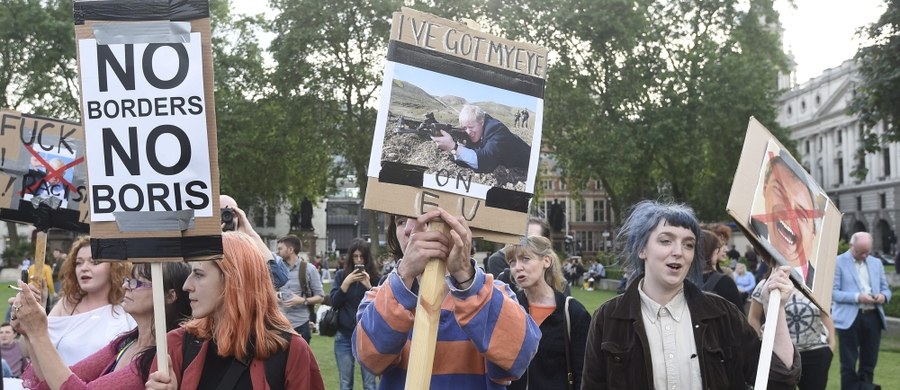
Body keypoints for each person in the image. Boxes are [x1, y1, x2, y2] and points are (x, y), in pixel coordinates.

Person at [582, 200, 800, 389]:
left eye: (688, 244)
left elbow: (779, 379)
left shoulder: (721, 314)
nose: (678, 252)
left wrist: (776, 307)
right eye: (666, 240)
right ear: (642, 249)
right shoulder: (608, 318)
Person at [354, 209, 540, 389]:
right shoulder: (379, 296)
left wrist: (466, 277)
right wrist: (404, 275)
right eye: (401, 221)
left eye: (425, 219)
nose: (410, 229)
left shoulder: (496, 293)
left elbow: (520, 357)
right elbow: (370, 359)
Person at [146, 231, 325, 390]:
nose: (186, 285)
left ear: (233, 280)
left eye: (199, 274)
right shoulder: (176, 345)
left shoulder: (291, 351)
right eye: (190, 273)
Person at [12, 262, 191, 389]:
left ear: (170, 295)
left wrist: (38, 333)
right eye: (128, 280)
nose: (126, 286)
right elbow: (56, 380)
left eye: (137, 282)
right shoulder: (125, 342)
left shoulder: (160, 358)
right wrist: (29, 332)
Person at [504, 236, 590, 390]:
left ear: (546, 261)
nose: (518, 267)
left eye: (525, 259)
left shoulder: (573, 312)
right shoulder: (508, 308)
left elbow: (584, 373)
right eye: (512, 262)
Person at [749, 258, 835, 390]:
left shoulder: (814, 284)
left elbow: (825, 314)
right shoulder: (766, 285)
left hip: (816, 352)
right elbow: (754, 318)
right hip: (779, 358)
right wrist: (759, 345)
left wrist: (831, 344)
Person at [48, 236, 135, 365]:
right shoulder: (67, 304)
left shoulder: (129, 307)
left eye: (94, 262)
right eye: (79, 263)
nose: (84, 268)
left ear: (114, 267)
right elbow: (33, 348)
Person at [750, 154, 820, 288]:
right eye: (780, 192)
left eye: (801, 213)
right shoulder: (752, 229)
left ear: (813, 232)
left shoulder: (819, 287)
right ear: (765, 189)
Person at [832, 232, 891, 390]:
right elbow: (834, 293)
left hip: (873, 318)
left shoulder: (876, 263)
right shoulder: (838, 262)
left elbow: (886, 289)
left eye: (868, 252)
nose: (865, 256)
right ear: (852, 246)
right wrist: (858, 297)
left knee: (868, 364)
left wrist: (882, 297)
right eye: (861, 252)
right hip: (849, 320)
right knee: (848, 365)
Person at [330, 238, 379, 390]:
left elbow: (382, 308)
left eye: (362, 257)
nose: (358, 260)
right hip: (344, 336)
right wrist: (345, 284)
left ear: (367, 258)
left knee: (370, 384)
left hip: (368, 336)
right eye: (355, 256)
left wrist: (369, 287)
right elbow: (334, 304)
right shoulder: (341, 276)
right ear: (350, 257)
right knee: (345, 383)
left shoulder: (375, 277)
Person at [431, 104, 531, 173]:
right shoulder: (477, 132)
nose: (468, 132)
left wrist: (454, 147)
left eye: (471, 127)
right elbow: (469, 162)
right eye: (464, 128)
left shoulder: (496, 129)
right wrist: (459, 149)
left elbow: (486, 162)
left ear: (482, 122)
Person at [220, 194, 290, 289]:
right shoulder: (203, 251)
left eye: (231, 214)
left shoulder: (251, 252)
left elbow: (278, 278)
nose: (226, 218)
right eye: (220, 213)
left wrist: (252, 234)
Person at [276, 234, 325, 345]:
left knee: (300, 361)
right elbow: (265, 291)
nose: (277, 252)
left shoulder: (309, 269)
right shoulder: (275, 269)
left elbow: (321, 297)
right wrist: (274, 296)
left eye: (280, 249)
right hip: (279, 323)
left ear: (290, 250)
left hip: (301, 324)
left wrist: (302, 300)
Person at [698, 230, 744, 312]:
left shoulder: (682, 279)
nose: (726, 249)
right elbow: (739, 318)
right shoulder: (725, 281)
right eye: (722, 245)